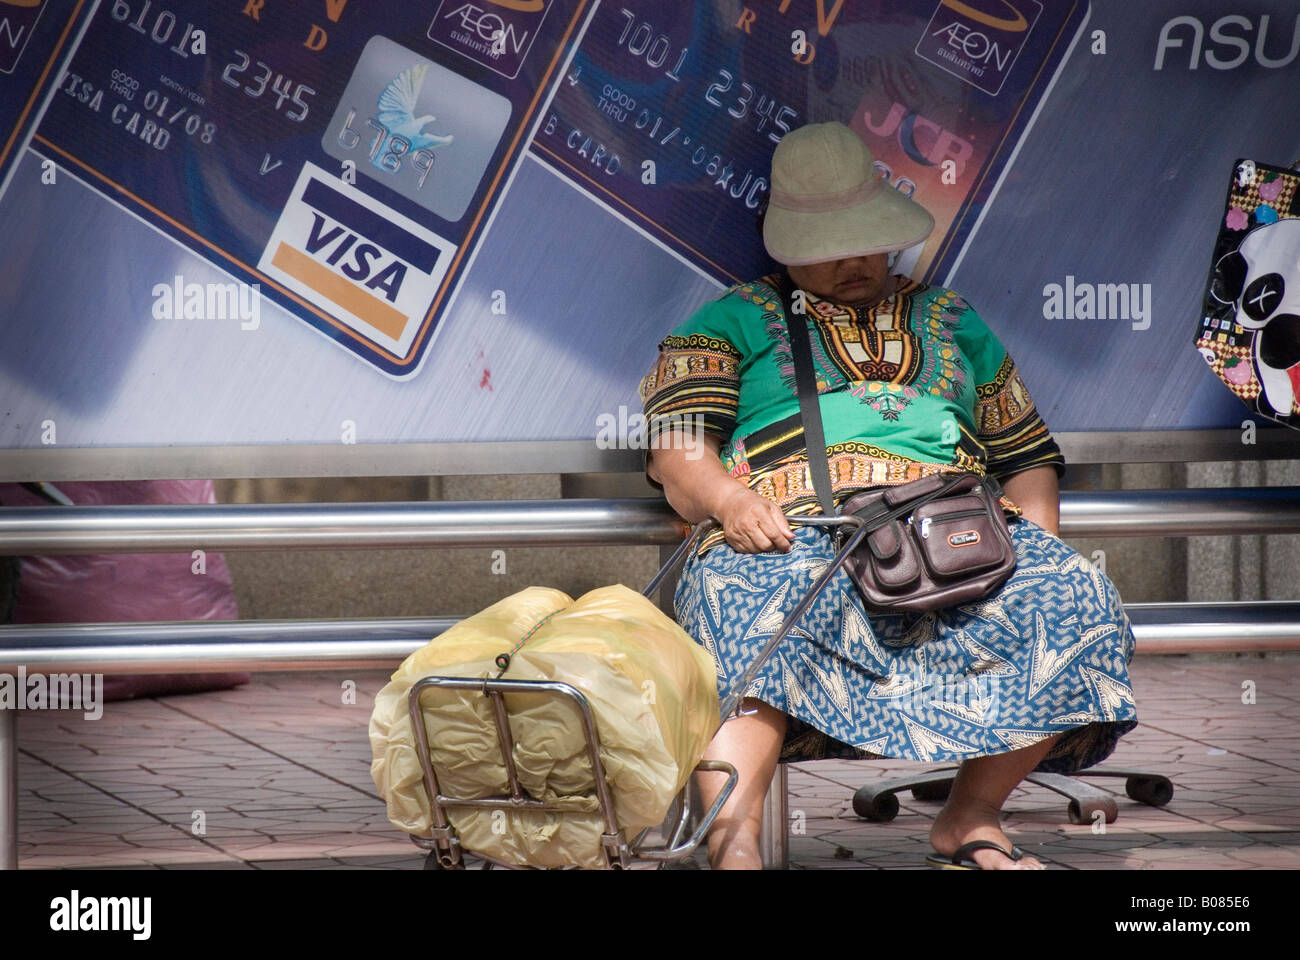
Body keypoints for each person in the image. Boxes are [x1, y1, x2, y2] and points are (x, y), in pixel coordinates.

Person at [639, 122, 1138, 870]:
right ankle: (732, 844)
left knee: (1073, 599)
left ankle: (970, 820)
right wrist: (728, 500)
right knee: (748, 614)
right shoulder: (728, 319)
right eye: (830, 247)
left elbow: (1027, 457)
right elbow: (676, 446)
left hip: (953, 532)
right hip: (793, 534)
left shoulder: (955, 321)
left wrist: (1041, 543)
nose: (854, 261)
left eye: (867, 241)